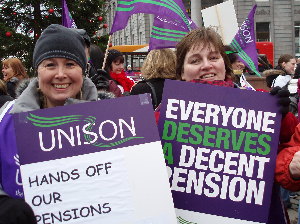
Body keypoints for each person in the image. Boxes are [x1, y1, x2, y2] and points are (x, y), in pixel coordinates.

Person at [174, 27, 297, 224]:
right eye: (195, 60)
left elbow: (288, 155)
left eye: (214, 57)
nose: (206, 65)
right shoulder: (163, 115)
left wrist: (283, 120)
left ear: (225, 64)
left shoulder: (258, 107)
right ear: (181, 72)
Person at [0, 24, 98, 223]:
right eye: (50, 64)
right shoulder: (5, 118)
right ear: (38, 70)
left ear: (83, 70)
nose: (60, 74)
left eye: (70, 64)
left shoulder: (115, 119)